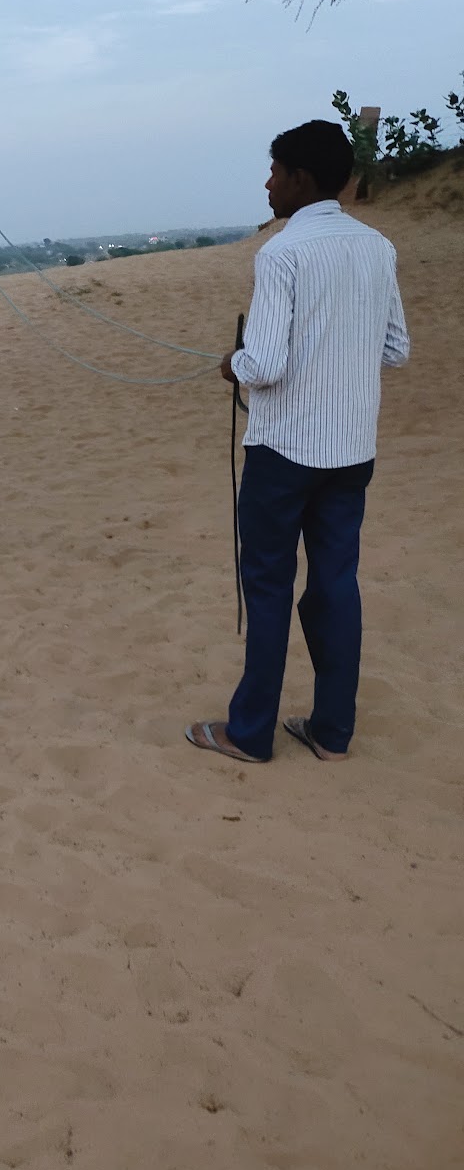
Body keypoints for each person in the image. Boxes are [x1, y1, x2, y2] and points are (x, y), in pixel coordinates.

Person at [186, 120, 410, 765]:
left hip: (283, 452)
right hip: (351, 452)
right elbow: (396, 349)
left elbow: (265, 365)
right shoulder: (378, 247)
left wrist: (234, 363)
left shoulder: (281, 253)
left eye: (276, 170)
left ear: (301, 179)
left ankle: (249, 733)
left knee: (267, 586)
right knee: (337, 584)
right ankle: (332, 731)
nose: (268, 182)